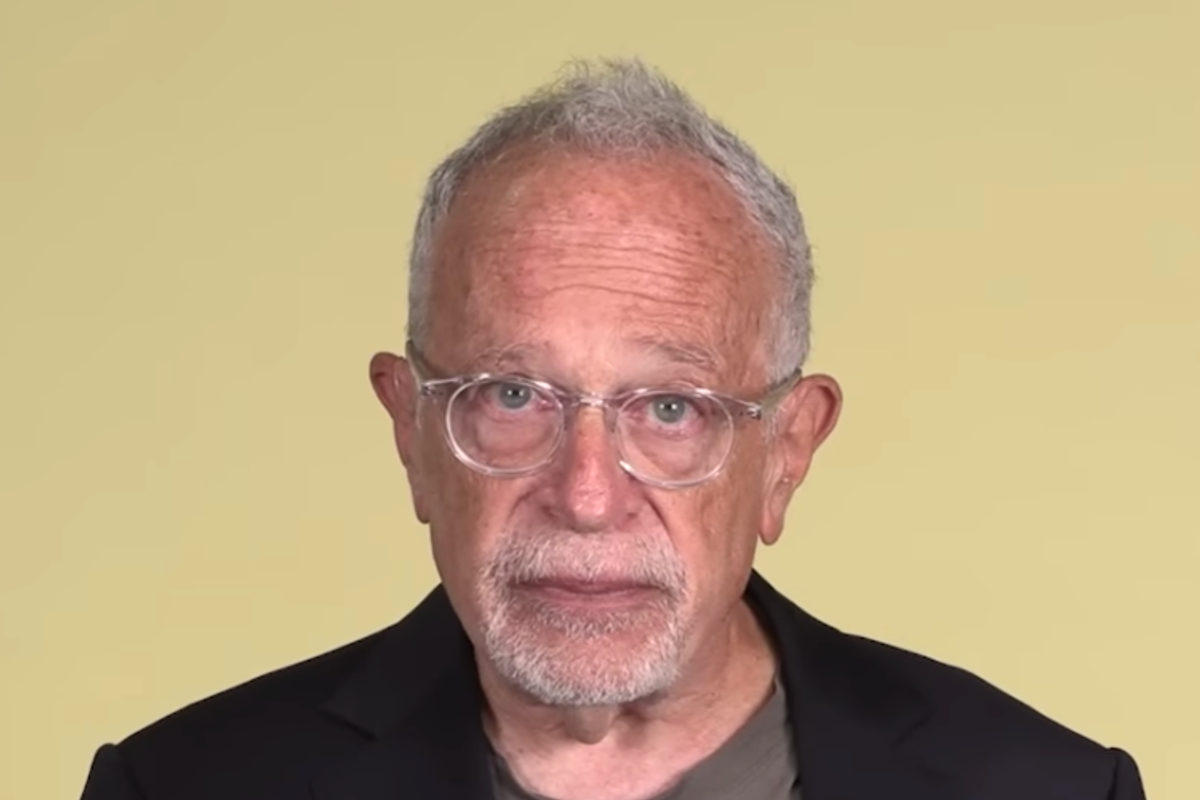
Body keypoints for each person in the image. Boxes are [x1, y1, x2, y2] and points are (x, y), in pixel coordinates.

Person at [80, 59, 1146, 800]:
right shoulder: (181, 786)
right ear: (411, 433)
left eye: (671, 409)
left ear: (786, 450)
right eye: (512, 397)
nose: (587, 495)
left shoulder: (1048, 787)